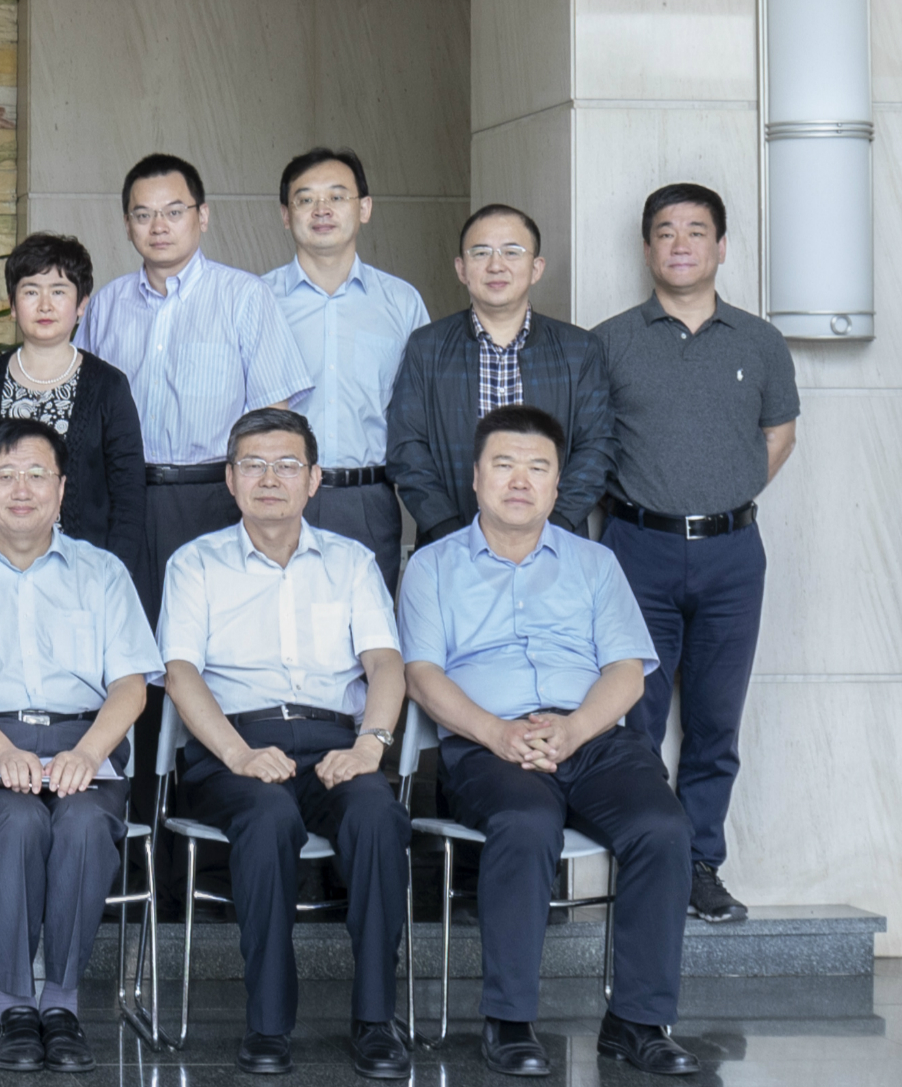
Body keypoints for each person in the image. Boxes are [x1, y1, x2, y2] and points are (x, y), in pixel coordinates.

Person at [398, 404, 700, 1078]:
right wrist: (498, 733)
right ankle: (509, 1022)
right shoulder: (433, 567)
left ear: (557, 485)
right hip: (485, 740)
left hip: (590, 737)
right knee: (526, 822)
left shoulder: (595, 563)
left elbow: (626, 671)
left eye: (537, 468)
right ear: (475, 477)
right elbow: (421, 675)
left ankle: (638, 1023)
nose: (519, 481)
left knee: (662, 828)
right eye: (504, 464)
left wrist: (573, 729)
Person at [152, 408, 410, 1078]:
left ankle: (376, 1019)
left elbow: (386, 664)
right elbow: (180, 674)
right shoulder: (195, 564)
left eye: (288, 464)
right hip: (233, 747)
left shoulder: (351, 563)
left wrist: (371, 745)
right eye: (254, 464)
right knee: (267, 817)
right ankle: (268, 1024)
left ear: (314, 479)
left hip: (335, 743)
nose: (271, 478)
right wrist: (238, 753)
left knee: (378, 814)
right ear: (230, 479)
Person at [0, 416, 157, 1074]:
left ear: (62, 488)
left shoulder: (102, 573)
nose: (22, 489)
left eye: (37, 474)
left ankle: (61, 1005)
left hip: (83, 738)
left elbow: (131, 685)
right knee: (16, 820)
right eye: (5, 475)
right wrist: (0, 751)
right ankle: (15, 1005)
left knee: (83, 822)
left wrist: (89, 753)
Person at [591, 182, 797, 927]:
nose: (681, 244)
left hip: (732, 554)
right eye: (666, 232)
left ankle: (702, 862)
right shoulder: (609, 341)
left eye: (696, 231)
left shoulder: (759, 341)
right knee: (634, 716)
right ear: (647, 247)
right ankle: (649, 859)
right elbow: (590, 446)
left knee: (715, 721)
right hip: (634, 549)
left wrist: (721, 497)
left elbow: (779, 434)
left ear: (721, 246)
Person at [75, 154, 312, 607]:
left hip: (214, 497)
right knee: (130, 628)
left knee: (214, 627)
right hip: (124, 498)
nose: (158, 226)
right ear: (127, 225)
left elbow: (273, 418)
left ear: (202, 216)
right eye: (143, 215)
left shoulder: (244, 297)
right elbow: (84, 409)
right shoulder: (106, 305)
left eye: (173, 211)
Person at [386, 204, 616, 538]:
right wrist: (448, 532)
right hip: (450, 542)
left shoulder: (579, 350)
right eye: (481, 253)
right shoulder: (426, 347)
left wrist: (553, 529)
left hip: (554, 544)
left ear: (536, 268)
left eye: (512, 252)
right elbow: (407, 450)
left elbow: (597, 448)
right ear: (461, 269)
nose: (496, 265)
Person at [261, 148, 428, 586]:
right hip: (277, 497)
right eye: (305, 199)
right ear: (285, 214)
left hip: (367, 500)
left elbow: (419, 413)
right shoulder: (256, 300)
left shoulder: (401, 303)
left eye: (337, 197)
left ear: (364, 208)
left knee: (367, 624)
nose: (322, 210)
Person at [0, 233, 150, 589]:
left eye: (59, 291)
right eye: (31, 291)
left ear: (81, 305)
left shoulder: (108, 386)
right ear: (12, 304)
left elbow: (128, 495)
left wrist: (113, 578)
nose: (45, 305)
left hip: (83, 578)